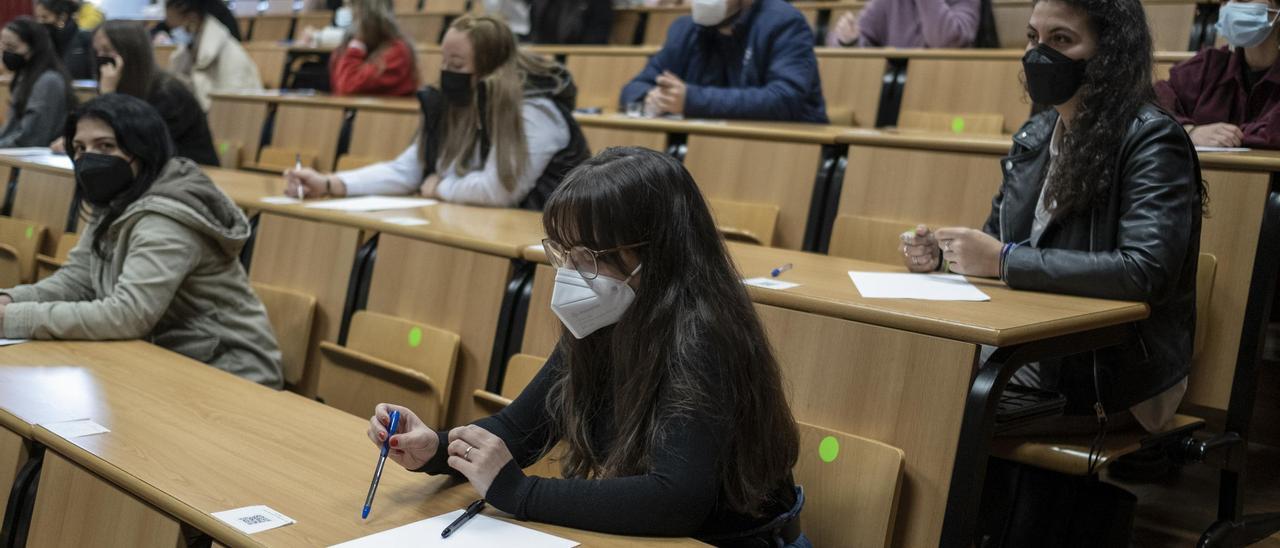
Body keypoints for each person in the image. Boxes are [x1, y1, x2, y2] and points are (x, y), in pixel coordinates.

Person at [365, 147, 808, 546]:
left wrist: (520, 492)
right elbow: (521, 430)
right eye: (564, 253)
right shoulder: (606, 317)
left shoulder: (704, 337)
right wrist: (436, 449)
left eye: (589, 257)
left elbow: (676, 499)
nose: (572, 272)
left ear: (657, 253)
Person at [901, 0, 1202, 436]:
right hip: (1030, 349)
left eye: (1061, 39)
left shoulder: (1152, 138)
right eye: (1032, 38)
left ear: (1110, 51)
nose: (1039, 54)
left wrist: (1003, 261)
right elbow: (997, 244)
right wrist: (946, 257)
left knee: (929, 402)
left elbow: (1145, 271)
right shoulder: (1036, 135)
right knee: (903, 373)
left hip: (1111, 371)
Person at [0, 94, 283, 389]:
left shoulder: (166, 219)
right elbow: (76, 281)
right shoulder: (117, 196)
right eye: (80, 149)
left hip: (231, 371)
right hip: (164, 357)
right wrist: (10, 300)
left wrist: (13, 319)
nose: (89, 158)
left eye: (106, 146)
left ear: (142, 148)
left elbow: (127, 314)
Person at [284, 15, 589, 209]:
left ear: (490, 69)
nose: (445, 74)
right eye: (444, 62)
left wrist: (440, 187)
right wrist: (329, 184)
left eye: (457, 66)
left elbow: (498, 190)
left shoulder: (534, 111)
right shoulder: (450, 104)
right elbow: (407, 171)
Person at [618, 0, 827, 123]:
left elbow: (785, 99)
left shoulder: (783, 22)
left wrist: (691, 100)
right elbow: (633, 88)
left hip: (785, 150)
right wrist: (652, 98)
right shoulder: (685, 28)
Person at [70, 21, 218, 165]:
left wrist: (109, 97)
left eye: (107, 51)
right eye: (97, 52)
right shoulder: (119, 86)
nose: (101, 58)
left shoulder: (168, 93)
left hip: (187, 173)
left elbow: (139, 146)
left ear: (129, 52)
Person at [1155, 0, 1280, 148]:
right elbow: (1150, 103)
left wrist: (1231, 136)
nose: (1231, 5)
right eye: (1225, 0)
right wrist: (1188, 131)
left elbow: (1273, 133)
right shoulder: (1208, 66)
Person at [165, 0, 263, 110]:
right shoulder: (188, 49)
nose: (173, 33)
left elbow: (233, 105)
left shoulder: (230, 55)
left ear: (192, 19)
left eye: (175, 28)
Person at [0, 17, 75, 148]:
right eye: (2, 46)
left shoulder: (48, 81)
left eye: (11, 47)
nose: (5, 53)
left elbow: (31, 138)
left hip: (30, 159)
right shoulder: (23, 77)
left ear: (34, 48)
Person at [328, 0, 419, 96]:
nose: (351, 14)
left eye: (354, 7)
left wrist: (356, 47)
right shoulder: (349, 46)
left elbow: (348, 86)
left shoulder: (398, 52)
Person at [825, 0, 981, 48]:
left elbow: (946, 42)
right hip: (893, 94)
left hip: (946, 85)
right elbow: (838, 43)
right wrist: (850, 40)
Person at [33, 0, 94, 79]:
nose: (40, 22)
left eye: (45, 17)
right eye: (37, 17)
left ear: (62, 17)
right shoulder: (41, 42)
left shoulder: (85, 39)